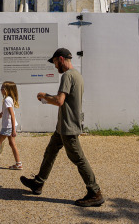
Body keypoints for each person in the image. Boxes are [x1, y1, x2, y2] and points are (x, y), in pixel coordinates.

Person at [20, 48, 104, 207]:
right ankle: (38, 182)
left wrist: (44, 96)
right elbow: (64, 99)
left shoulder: (67, 76)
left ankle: (95, 192)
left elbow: (59, 101)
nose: (54, 66)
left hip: (68, 127)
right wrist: (47, 98)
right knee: (50, 152)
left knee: (78, 159)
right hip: (63, 126)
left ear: (61, 59)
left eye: (55, 63)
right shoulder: (77, 75)